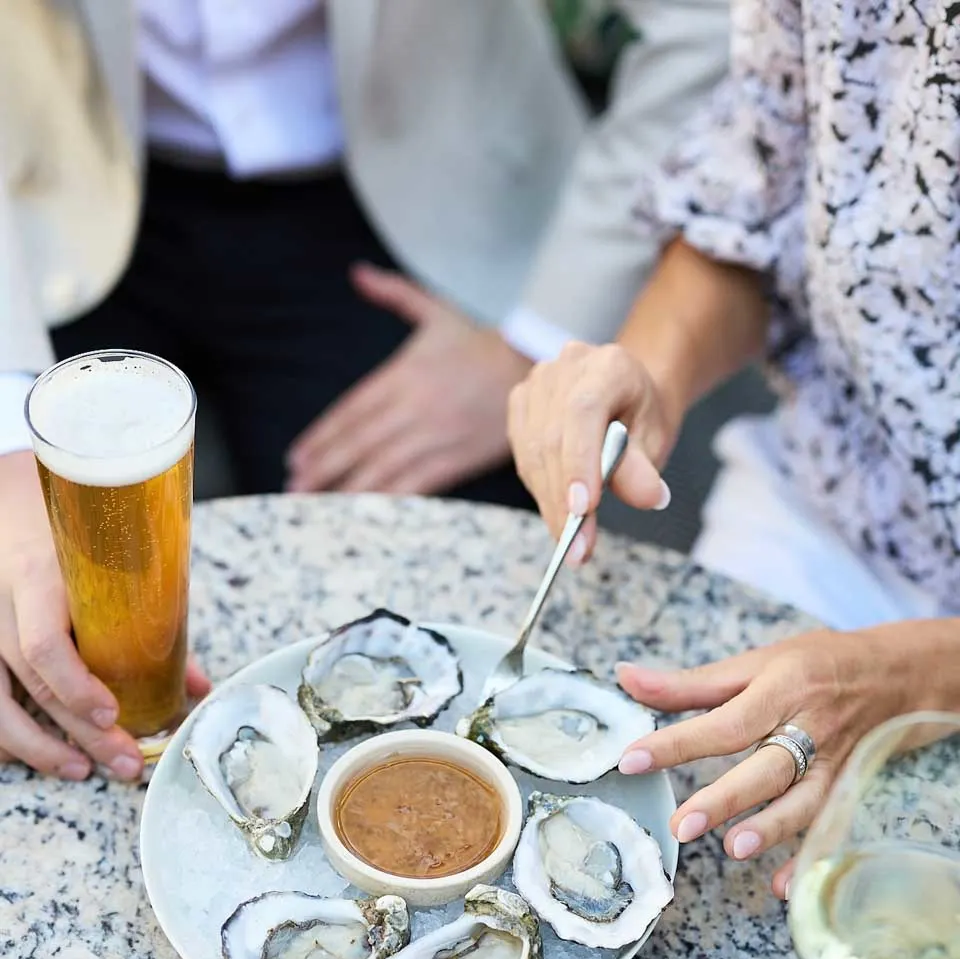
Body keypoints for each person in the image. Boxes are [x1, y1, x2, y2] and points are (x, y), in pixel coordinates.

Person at [0, 1, 730, 779]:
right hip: (42, 189)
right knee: (41, 662)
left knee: (452, 609)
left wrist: (532, 340)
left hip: (404, 191)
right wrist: (7, 438)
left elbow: (712, 26)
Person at [507, 0, 960, 898]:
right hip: (826, 498)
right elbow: (758, 200)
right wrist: (645, 373)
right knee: (668, 860)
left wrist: (909, 673)